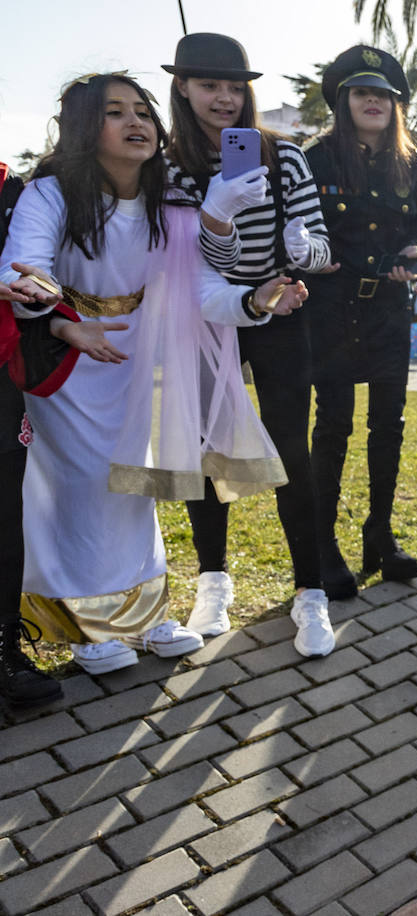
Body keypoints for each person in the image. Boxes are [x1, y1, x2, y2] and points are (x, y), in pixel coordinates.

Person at [2, 73, 304, 675]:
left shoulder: (171, 201)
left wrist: (256, 300)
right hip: (69, 355)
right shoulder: (52, 194)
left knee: (132, 478)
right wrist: (50, 306)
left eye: (142, 111)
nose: (136, 122)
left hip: (133, 355)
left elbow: (203, 291)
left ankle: (142, 612)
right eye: (116, 113)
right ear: (86, 128)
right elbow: (23, 266)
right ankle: (85, 624)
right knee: (82, 480)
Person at [163, 32, 337, 656]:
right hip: (207, 320)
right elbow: (202, 263)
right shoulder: (171, 168)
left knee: (291, 447)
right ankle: (213, 582)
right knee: (209, 448)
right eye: (209, 85)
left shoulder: (284, 155)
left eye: (234, 86)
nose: (224, 99)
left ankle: (310, 594)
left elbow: (322, 251)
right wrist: (219, 209)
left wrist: (300, 249)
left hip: (284, 317)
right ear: (182, 87)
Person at [304, 45, 417, 598]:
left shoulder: (414, 164)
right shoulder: (316, 158)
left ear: (396, 104)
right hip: (332, 308)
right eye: (362, 92)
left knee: (390, 424)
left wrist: (415, 254)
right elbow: (298, 229)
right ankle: (321, 542)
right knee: (333, 425)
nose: (373, 102)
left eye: (382, 94)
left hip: (388, 308)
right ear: (344, 100)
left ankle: (378, 532)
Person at [0, 162, 62, 707]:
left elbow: (35, 272)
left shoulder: (12, 187)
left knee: (4, 520)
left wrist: (37, 289)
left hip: (1, 376)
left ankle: (5, 653)